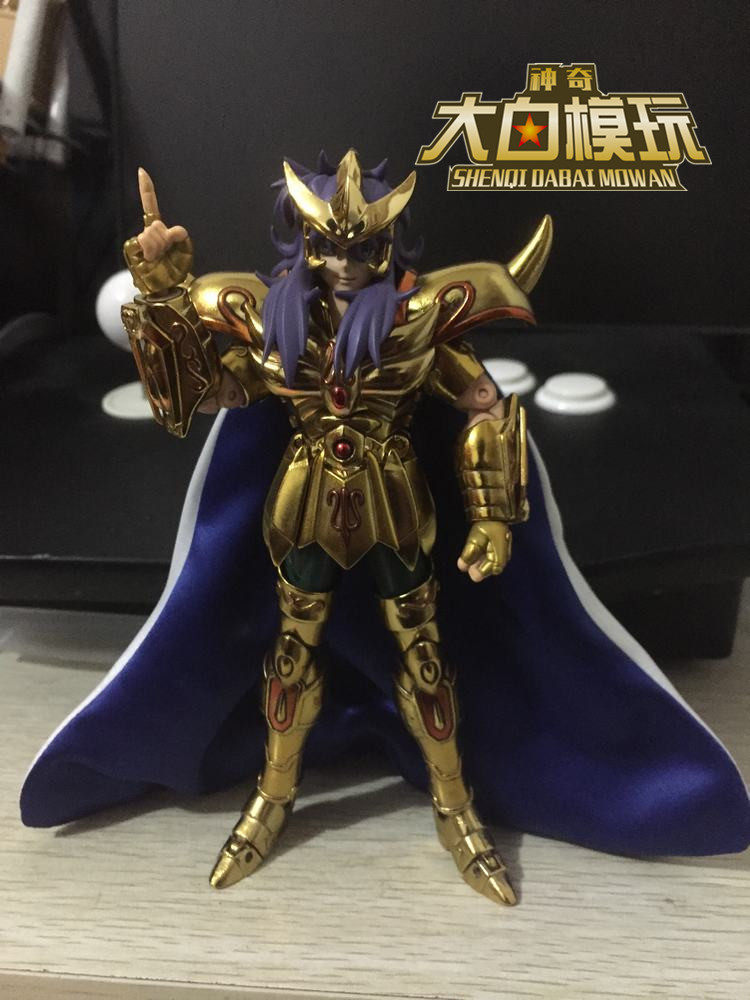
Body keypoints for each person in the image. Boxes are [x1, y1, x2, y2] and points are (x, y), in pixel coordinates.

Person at [21, 150, 750, 908]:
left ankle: (456, 810)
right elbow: (202, 401)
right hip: (303, 504)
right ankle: (272, 797)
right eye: (329, 245)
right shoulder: (272, 319)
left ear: (388, 242)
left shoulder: (417, 321)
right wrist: (165, 299)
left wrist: (494, 517)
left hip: (395, 507)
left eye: (363, 246)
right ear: (304, 240)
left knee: (426, 663)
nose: (344, 262)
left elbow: (484, 407)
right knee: (290, 658)